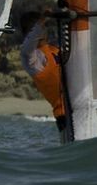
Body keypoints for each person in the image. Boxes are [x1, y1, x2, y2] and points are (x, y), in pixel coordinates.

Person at [17, 10, 68, 141]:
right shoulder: (31, 59)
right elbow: (28, 45)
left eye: (42, 29)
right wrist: (41, 21)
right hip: (64, 115)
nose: (39, 33)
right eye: (33, 31)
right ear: (27, 35)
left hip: (81, 104)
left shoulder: (55, 49)